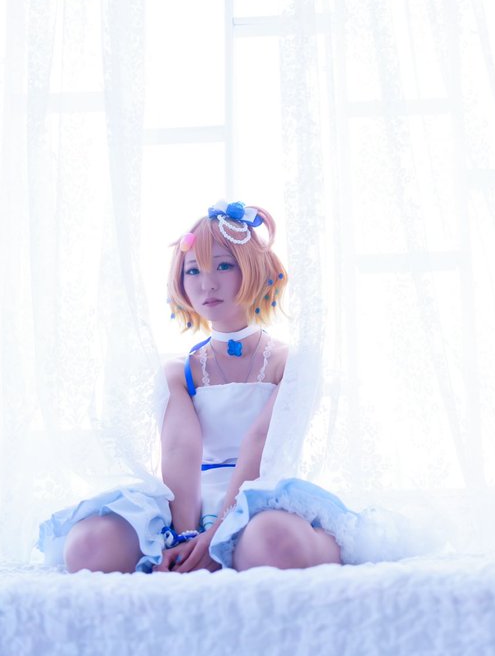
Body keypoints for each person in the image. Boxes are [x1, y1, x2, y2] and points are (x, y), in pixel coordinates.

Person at [38, 201, 364, 573]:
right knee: (89, 545)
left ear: (254, 269)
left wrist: (218, 533)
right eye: (193, 270)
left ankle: (262, 547)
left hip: (261, 499)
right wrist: (186, 536)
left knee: (274, 541)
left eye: (223, 266)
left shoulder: (292, 364)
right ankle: (206, 552)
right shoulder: (179, 371)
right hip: (188, 502)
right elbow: (180, 449)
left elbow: (260, 444)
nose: (207, 283)